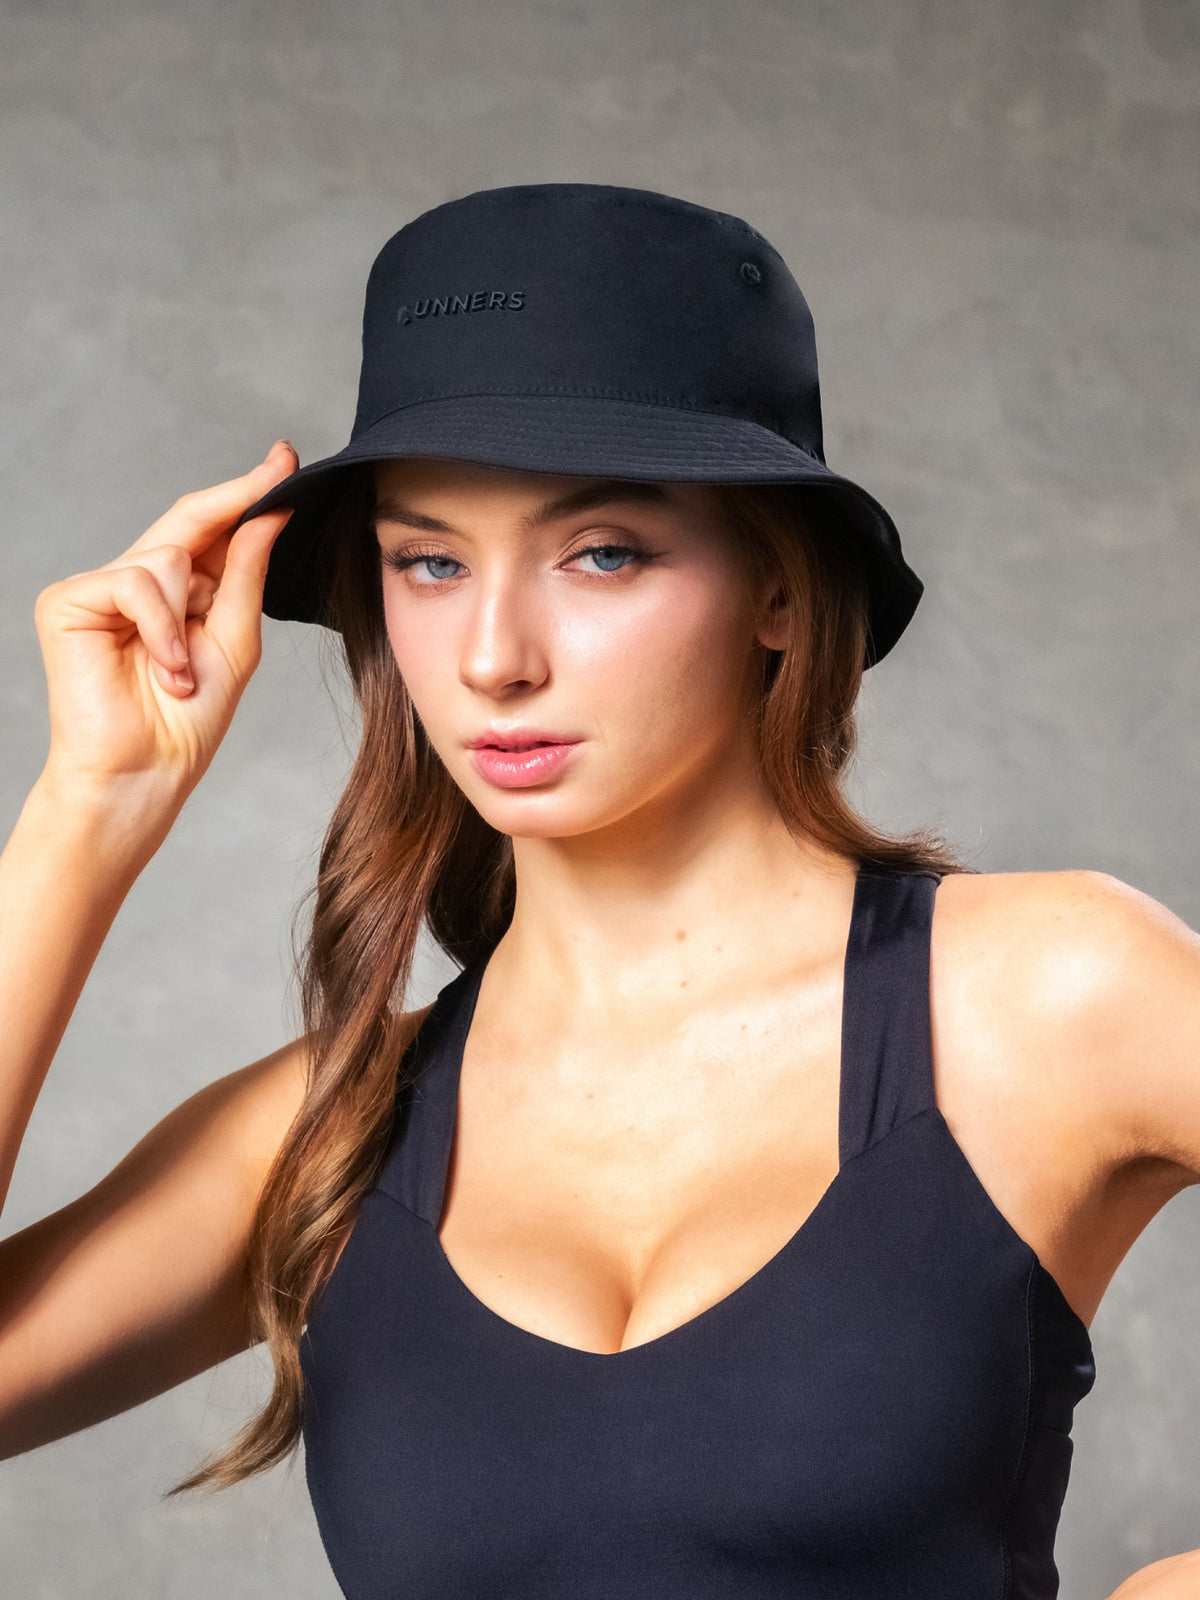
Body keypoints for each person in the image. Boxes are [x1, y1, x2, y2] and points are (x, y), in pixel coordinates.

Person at [0, 184, 1197, 1600]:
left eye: (602, 553)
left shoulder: (1045, 999)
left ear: (780, 589)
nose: (494, 657)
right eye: (430, 562)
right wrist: (93, 805)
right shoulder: (326, 1133)